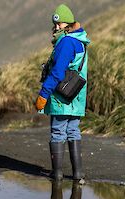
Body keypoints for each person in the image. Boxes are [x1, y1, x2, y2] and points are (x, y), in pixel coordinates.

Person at [35, 4, 90, 182]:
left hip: (61, 97)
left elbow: (58, 72)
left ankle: (57, 175)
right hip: (77, 96)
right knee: (73, 131)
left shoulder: (66, 42)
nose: (56, 27)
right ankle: (78, 174)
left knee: (58, 132)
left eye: (59, 24)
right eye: (55, 24)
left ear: (68, 24)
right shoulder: (81, 41)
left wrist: (43, 94)